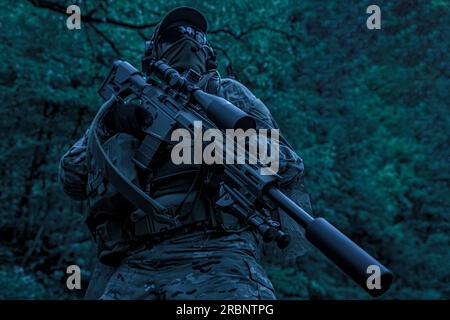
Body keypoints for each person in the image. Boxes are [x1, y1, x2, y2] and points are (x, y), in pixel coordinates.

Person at [59, 6, 312, 300]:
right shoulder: (133, 101)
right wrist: (110, 126)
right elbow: (71, 177)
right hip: (137, 260)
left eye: (196, 35)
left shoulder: (227, 94)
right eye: (175, 34)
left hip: (219, 255)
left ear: (208, 50)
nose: (188, 40)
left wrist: (218, 143)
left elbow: (288, 163)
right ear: (155, 50)